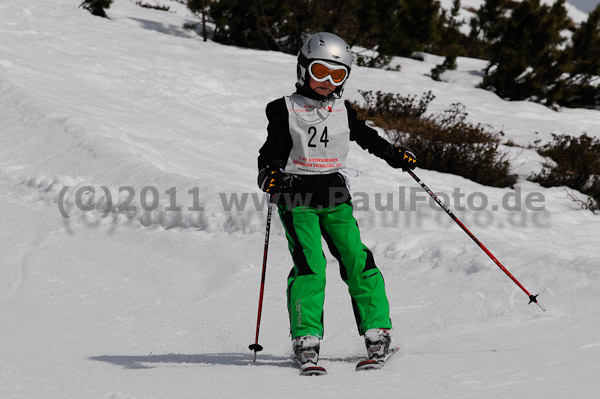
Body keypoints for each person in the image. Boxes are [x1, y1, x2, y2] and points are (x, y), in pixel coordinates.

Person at [257, 32, 417, 368]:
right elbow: (271, 151)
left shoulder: (343, 110)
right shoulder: (283, 109)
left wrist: (393, 154)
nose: (327, 82)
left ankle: (378, 332)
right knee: (310, 264)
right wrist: (268, 173)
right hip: (294, 194)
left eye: (337, 75)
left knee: (356, 258)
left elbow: (366, 137)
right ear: (303, 70)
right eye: (320, 73)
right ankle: (306, 337)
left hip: (334, 193)